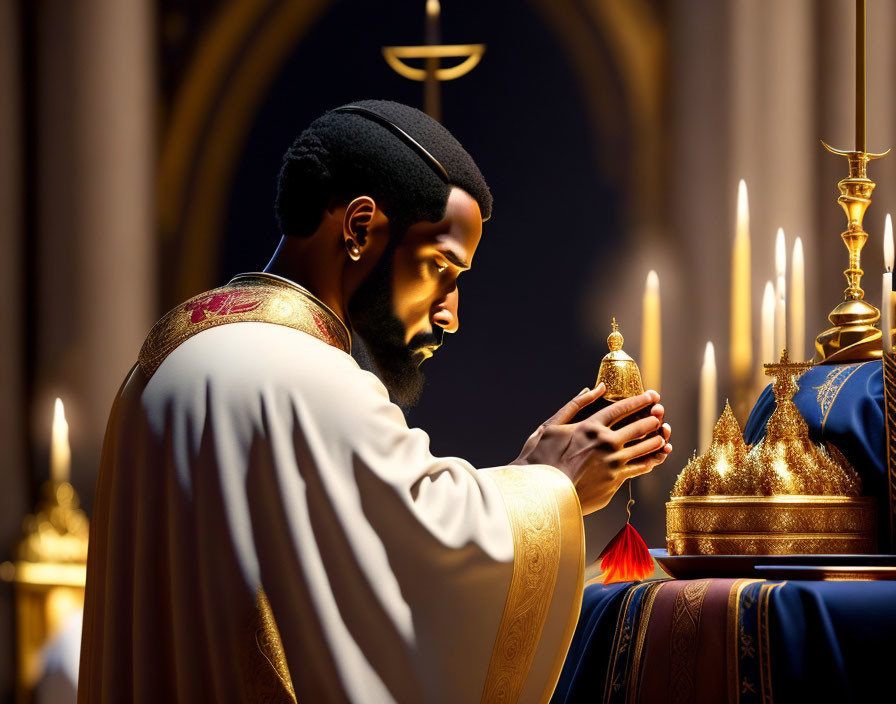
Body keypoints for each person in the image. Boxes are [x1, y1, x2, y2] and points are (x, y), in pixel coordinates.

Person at [78, 100, 672, 703]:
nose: (451, 314)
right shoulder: (305, 376)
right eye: (441, 268)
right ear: (361, 228)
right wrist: (551, 486)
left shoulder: (157, 365)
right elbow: (427, 563)